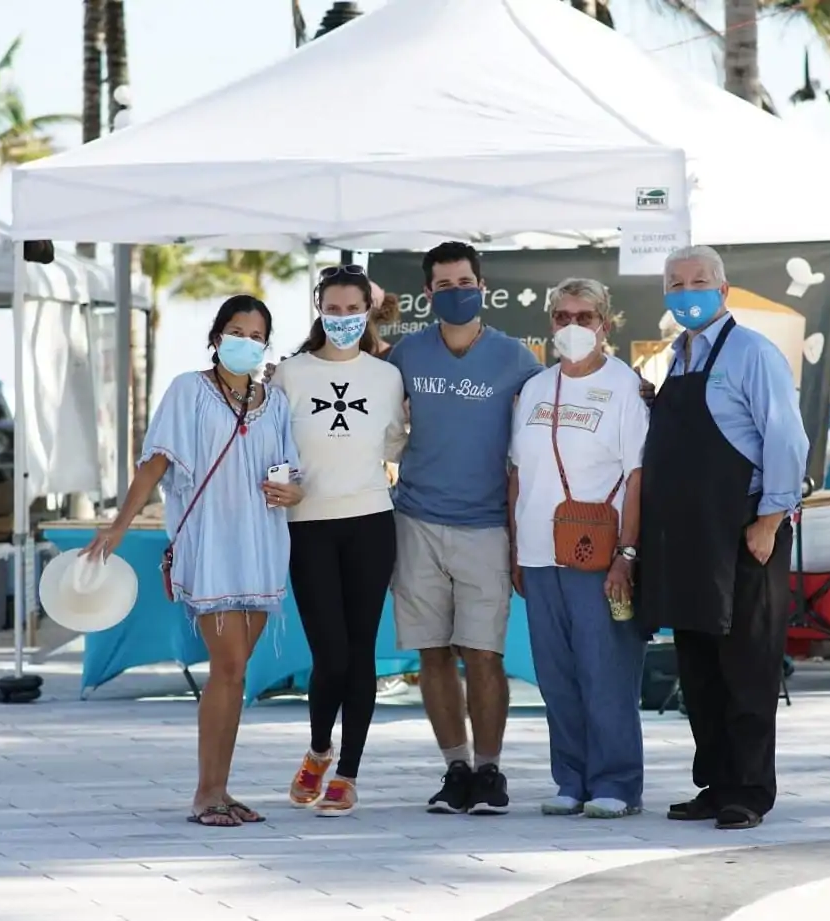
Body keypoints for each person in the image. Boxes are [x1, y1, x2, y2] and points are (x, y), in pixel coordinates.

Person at [82, 294, 304, 828]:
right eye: (235, 330)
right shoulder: (188, 391)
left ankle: (221, 788)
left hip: (262, 546)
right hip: (211, 546)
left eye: (255, 335)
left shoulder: (275, 403)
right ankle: (207, 793)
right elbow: (155, 464)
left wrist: (292, 493)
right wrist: (117, 524)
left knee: (236, 673)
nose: (245, 342)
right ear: (215, 336)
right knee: (226, 669)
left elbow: (291, 473)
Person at [639, 245, 808, 832]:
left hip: (745, 530)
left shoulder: (753, 354)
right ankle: (713, 783)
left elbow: (786, 439)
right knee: (699, 668)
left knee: (748, 665)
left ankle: (749, 791)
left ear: (724, 290)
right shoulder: (673, 360)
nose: (687, 293)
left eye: (699, 282)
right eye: (676, 284)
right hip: (687, 538)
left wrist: (770, 519)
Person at [388, 240, 542, 815]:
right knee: (431, 653)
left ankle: (490, 771)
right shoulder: (406, 355)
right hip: (416, 522)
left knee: (483, 654)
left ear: (483, 286)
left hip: (485, 527)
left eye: (465, 283)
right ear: (428, 294)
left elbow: (555, 417)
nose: (457, 294)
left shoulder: (516, 359)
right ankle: (455, 766)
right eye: (445, 286)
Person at [508, 279, 648, 819]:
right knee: (556, 674)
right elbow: (517, 474)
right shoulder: (536, 388)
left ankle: (616, 781)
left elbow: (638, 477)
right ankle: (570, 777)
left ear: (605, 325)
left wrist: (628, 553)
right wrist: (516, 546)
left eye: (585, 317)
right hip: (540, 554)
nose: (573, 326)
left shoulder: (625, 388)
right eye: (563, 316)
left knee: (605, 670)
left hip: (599, 553)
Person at [270, 265, 407, 818]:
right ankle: (318, 747)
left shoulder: (386, 376)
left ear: (368, 312)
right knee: (329, 653)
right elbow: (270, 445)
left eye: (355, 309)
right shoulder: (290, 374)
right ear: (319, 307)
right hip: (308, 527)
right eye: (336, 308)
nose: (345, 318)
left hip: (371, 521)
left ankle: (347, 772)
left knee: (361, 652)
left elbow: (396, 445)